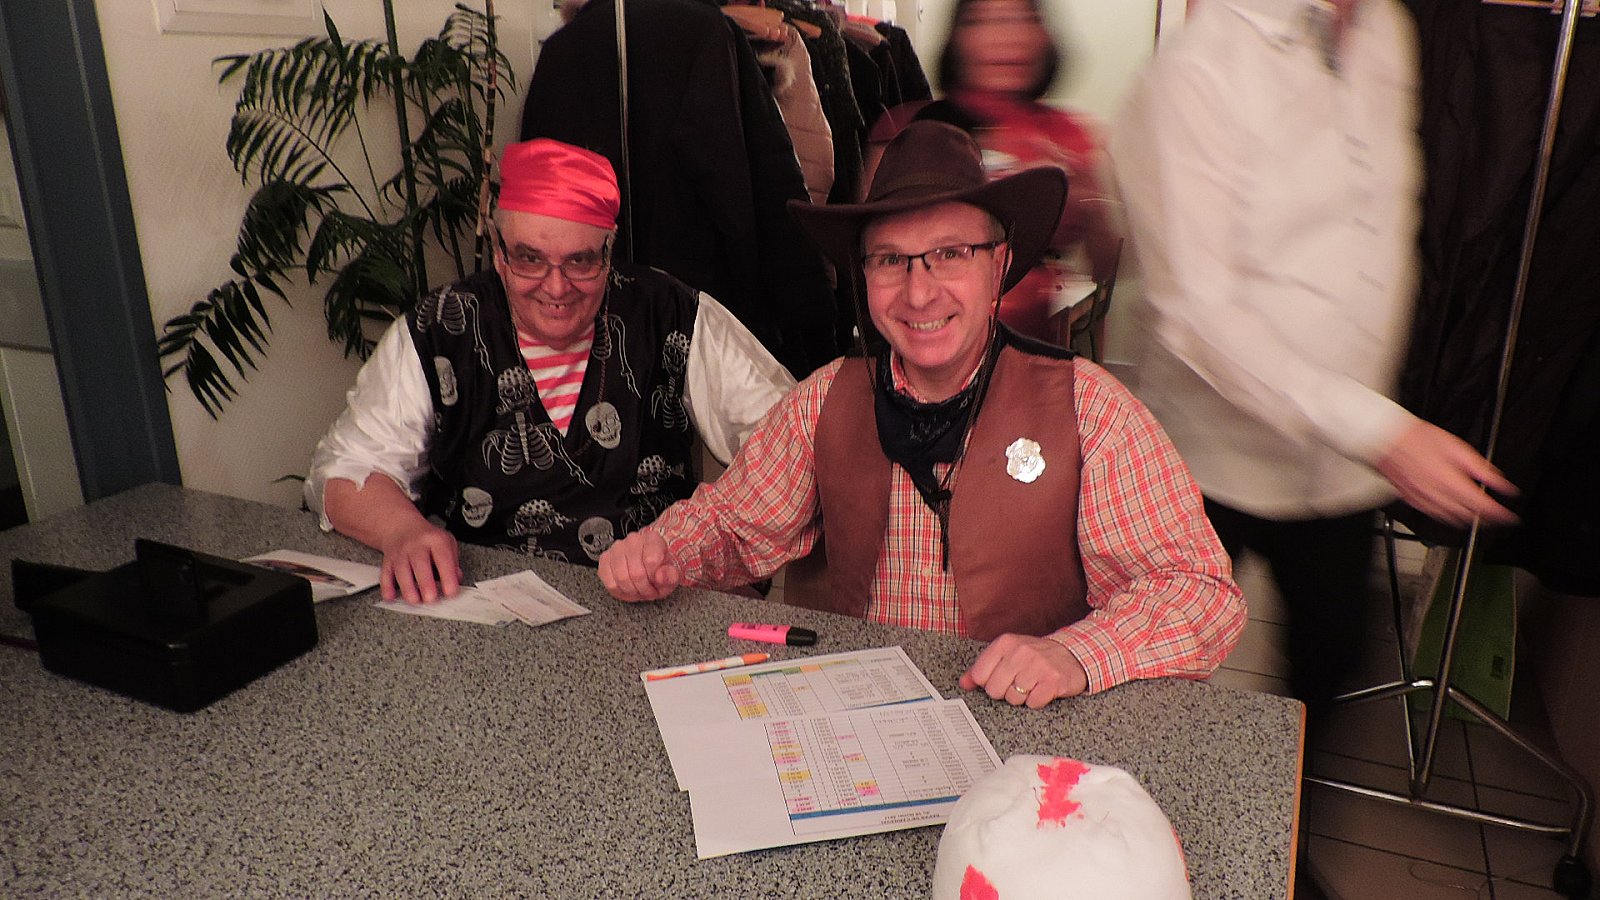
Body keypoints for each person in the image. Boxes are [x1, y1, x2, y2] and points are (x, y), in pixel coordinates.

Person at [599, 121, 1245, 708]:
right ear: (864, 277)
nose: (918, 291)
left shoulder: (1089, 409)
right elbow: (733, 526)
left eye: (950, 253)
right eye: (890, 260)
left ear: (998, 265)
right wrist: (663, 551)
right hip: (863, 714)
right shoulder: (823, 401)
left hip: (1030, 730)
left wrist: (1075, 654)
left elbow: (1199, 590)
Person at [1112, 0, 1518, 716]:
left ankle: (1288, 788)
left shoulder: (1387, 34)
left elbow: (1383, 223)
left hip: (1338, 470)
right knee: (1152, 670)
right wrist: (1380, 431)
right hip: (1208, 457)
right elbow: (1198, 310)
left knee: (1329, 663)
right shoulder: (1199, 68)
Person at [305, 139, 795, 604]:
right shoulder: (440, 328)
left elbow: (792, 442)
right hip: (478, 604)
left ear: (608, 254)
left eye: (580, 261)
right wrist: (402, 531)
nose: (556, 288)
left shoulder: (670, 312)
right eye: (529, 259)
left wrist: (695, 541)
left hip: (653, 599)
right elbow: (344, 469)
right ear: (500, 253)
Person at [863, 0, 1121, 342]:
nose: (1006, 36)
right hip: (921, 338)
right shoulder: (907, 129)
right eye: (983, 20)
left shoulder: (1066, 135)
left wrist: (1089, 201)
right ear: (957, 38)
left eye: (1022, 19)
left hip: (1027, 344)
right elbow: (866, 257)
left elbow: (1106, 265)